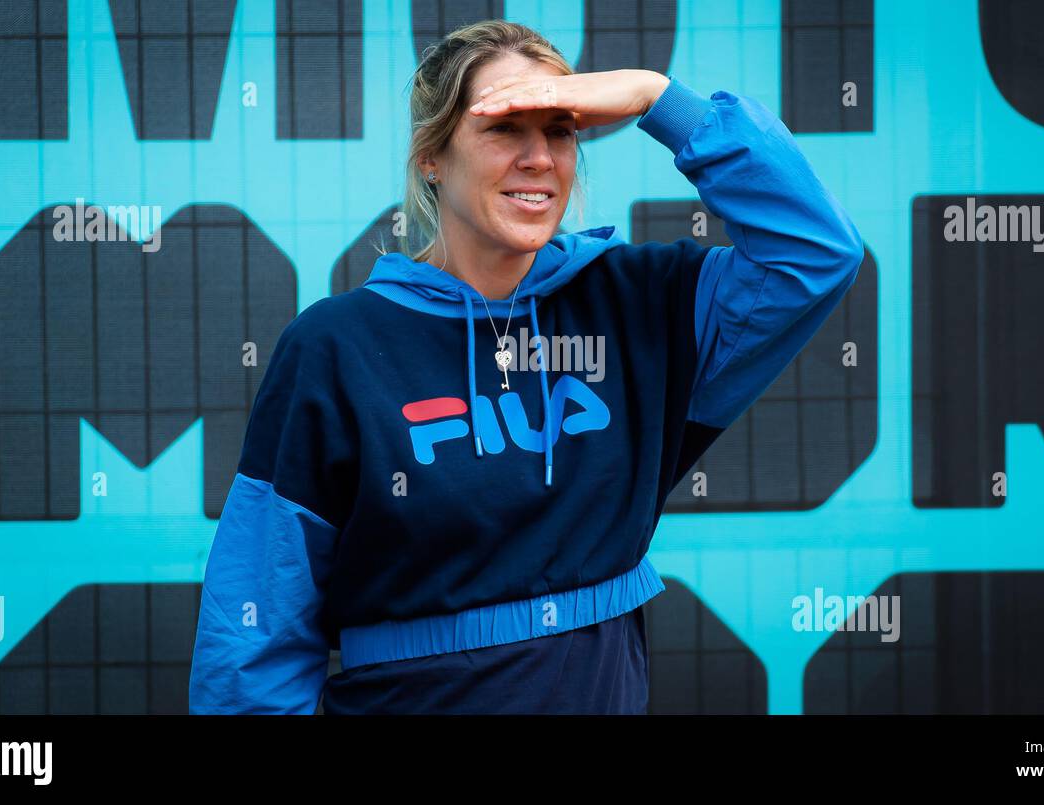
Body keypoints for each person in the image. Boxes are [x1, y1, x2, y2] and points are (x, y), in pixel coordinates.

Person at [188, 20, 863, 714]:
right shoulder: (336, 345)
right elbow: (255, 630)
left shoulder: (644, 301)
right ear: (432, 157)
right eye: (507, 127)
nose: (539, 157)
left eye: (561, 128)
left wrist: (656, 98)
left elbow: (814, 252)